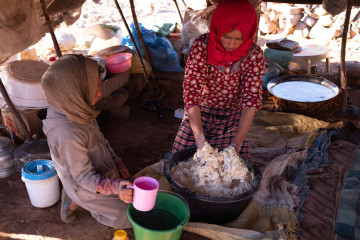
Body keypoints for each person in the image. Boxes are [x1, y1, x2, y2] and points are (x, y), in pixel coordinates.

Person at [41, 54, 133, 229]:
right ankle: (76, 199)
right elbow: (84, 178)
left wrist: (116, 161)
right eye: (96, 88)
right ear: (75, 90)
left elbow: (100, 139)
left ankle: (74, 199)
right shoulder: (66, 132)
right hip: (85, 184)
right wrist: (116, 187)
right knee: (130, 216)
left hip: (90, 172)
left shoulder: (77, 107)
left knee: (132, 193)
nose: (99, 93)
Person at [172, 0, 265, 157]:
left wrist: (236, 145)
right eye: (226, 36)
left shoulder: (254, 55)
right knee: (182, 156)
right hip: (201, 111)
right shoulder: (201, 47)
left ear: (249, 34)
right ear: (217, 28)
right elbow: (192, 93)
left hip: (233, 115)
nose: (231, 44)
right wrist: (200, 140)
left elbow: (251, 101)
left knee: (235, 163)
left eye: (239, 39)